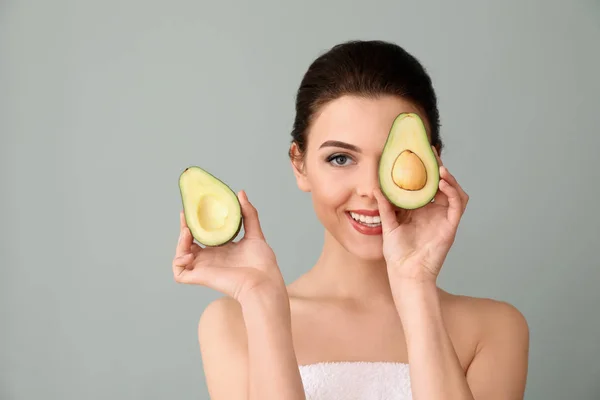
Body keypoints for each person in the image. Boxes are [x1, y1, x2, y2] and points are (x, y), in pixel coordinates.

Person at [172, 40, 530, 400]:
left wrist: (415, 286)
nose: (371, 189)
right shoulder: (233, 323)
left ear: (432, 164)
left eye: (396, 157)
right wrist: (263, 301)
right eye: (341, 158)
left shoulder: (494, 329)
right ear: (300, 164)